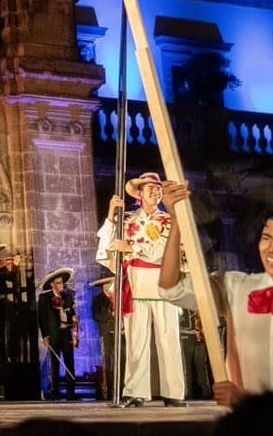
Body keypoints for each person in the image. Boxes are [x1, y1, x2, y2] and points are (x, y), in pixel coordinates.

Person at [159, 196, 273, 408]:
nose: (272, 249)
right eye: (266, 238)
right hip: (245, 424)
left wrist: (252, 403)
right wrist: (177, 219)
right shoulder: (236, 286)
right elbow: (171, 288)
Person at [96, 171, 186, 407]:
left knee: (169, 339)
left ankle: (174, 392)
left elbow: (169, 252)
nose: (155, 192)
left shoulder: (169, 221)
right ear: (139, 193)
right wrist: (110, 214)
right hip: (135, 284)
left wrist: (132, 249)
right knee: (136, 341)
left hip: (162, 284)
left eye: (158, 189)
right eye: (150, 189)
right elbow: (106, 249)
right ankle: (135, 391)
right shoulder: (127, 221)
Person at [37, 267, 79, 401]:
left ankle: (71, 393)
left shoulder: (67, 296)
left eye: (62, 283)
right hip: (54, 334)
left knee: (69, 362)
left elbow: (71, 313)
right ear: (52, 284)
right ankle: (55, 393)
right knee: (55, 364)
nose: (61, 285)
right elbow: (42, 317)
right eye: (58, 283)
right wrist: (45, 335)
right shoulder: (45, 298)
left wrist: (74, 318)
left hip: (66, 332)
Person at [89, 276, 120, 400]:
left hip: (117, 332)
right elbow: (96, 316)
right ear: (103, 287)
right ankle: (108, 389)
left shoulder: (116, 298)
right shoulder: (98, 300)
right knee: (107, 360)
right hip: (105, 332)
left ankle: (120, 388)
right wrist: (109, 317)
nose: (110, 287)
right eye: (108, 285)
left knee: (119, 359)